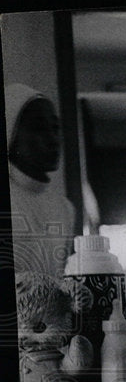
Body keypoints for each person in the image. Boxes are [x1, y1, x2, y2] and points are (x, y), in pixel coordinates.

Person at [5, 83, 75, 277]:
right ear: (10, 135)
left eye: (55, 127)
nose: (53, 139)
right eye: (38, 128)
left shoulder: (64, 208)